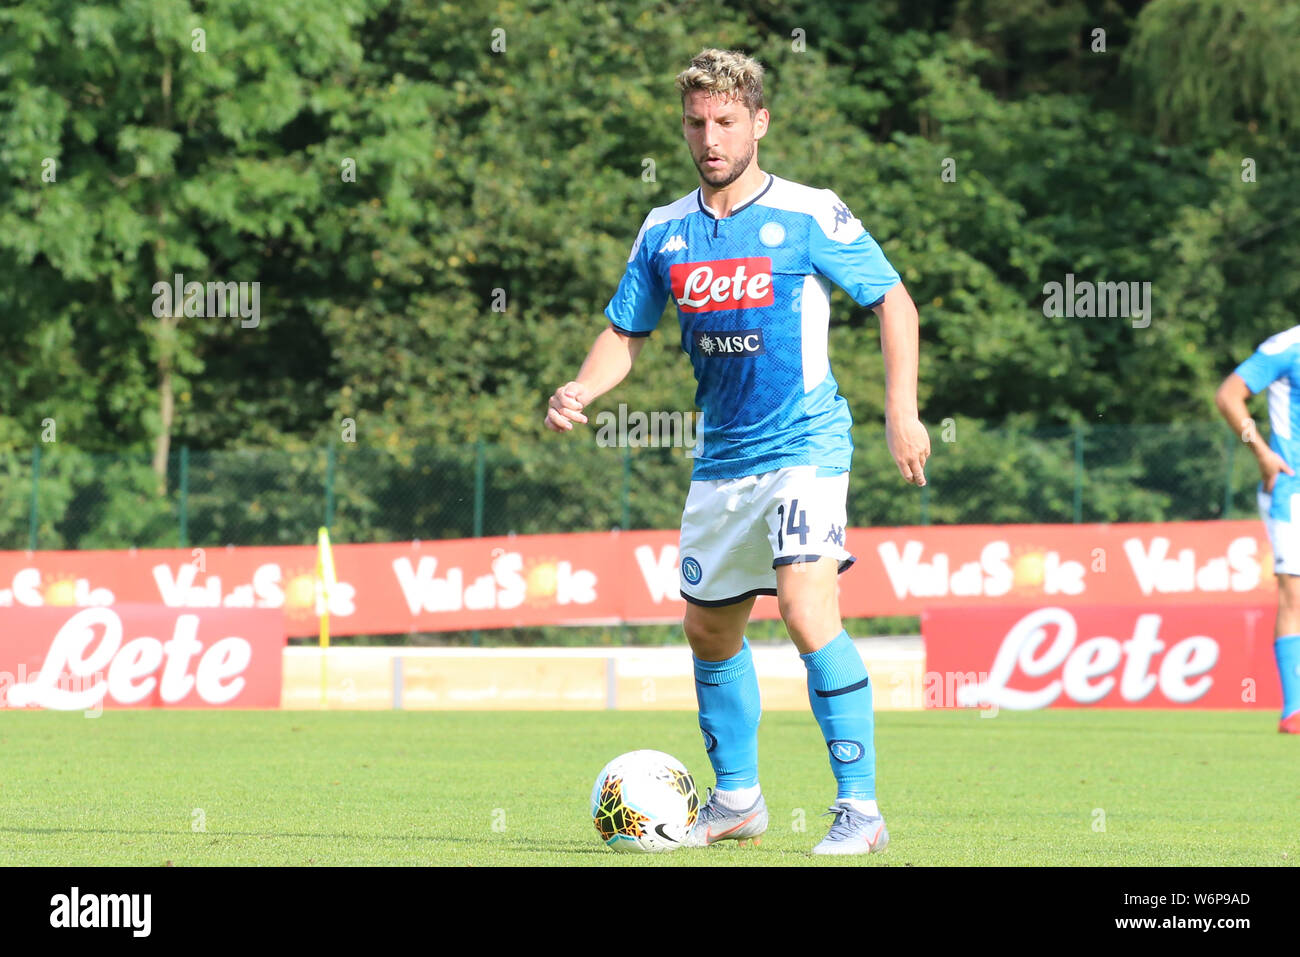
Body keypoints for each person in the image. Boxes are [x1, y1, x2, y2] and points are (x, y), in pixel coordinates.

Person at [544, 48, 929, 853]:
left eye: (725, 121)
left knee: (803, 609)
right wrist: (583, 387)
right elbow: (625, 330)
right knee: (708, 632)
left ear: (758, 122)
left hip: (807, 444)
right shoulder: (665, 230)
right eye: (695, 123)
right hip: (722, 459)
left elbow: (892, 299)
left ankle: (860, 808)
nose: (709, 137)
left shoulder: (811, 212)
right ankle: (738, 800)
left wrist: (902, 410)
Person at [1216, 328, 1300, 734]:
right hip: (1292, 491)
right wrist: (1262, 452)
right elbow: (1229, 396)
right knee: (1295, 595)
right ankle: (1294, 710)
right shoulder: (1286, 347)